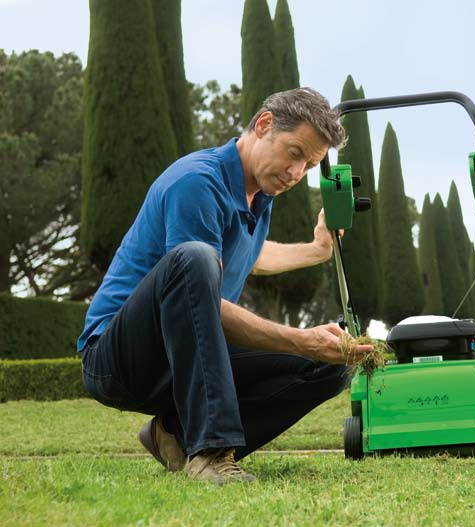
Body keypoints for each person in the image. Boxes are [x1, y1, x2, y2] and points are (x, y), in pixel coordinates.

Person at [77, 88, 373, 485]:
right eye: (295, 153)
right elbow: (196, 283)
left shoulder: (258, 195)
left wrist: (316, 251)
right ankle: (210, 453)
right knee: (195, 258)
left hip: (188, 354)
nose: (296, 173)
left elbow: (248, 255)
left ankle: (177, 435)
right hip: (118, 359)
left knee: (329, 365)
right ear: (264, 124)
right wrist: (299, 338)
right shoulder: (197, 182)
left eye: (309, 164)